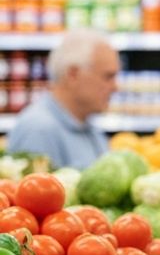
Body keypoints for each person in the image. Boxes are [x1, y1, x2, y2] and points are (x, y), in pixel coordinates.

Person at [6, 30, 119, 168]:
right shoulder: (37, 130)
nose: (115, 87)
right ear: (73, 75)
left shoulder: (89, 127)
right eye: (108, 77)